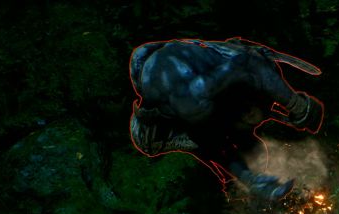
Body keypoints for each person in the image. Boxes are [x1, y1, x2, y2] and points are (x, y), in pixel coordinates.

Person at [129, 37, 324, 200]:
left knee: (213, 136)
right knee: (212, 137)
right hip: (195, 98)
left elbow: (245, 63)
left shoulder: (195, 99)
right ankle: (246, 177)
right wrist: (298, 107)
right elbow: (246, 63)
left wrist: (296, 105)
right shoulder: (194, 103)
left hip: (202, 89)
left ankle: (246, 177)